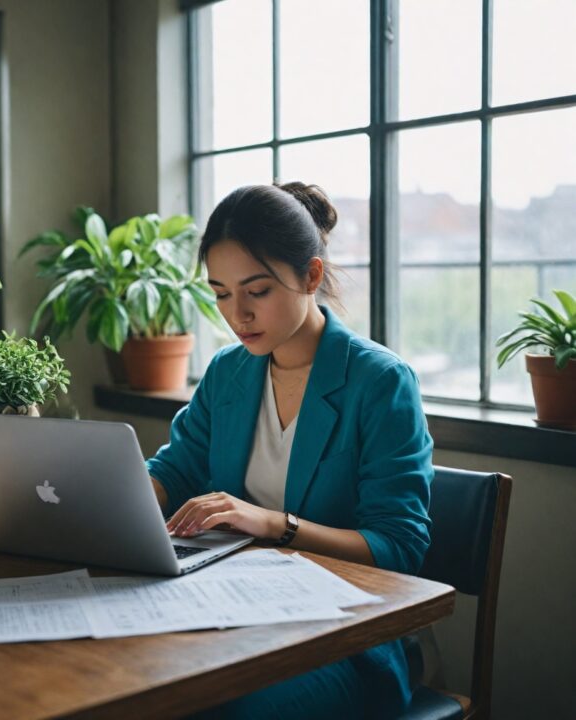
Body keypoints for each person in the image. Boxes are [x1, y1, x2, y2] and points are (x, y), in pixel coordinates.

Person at [146, 182, 433, 720]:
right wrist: (112, 493)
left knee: (210, 710)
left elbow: (397, 548)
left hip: (343, 639)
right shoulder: (228, 372)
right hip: (231, 611)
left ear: (312, 277)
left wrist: (275, 524)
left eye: (257, 291)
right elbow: (176, 469)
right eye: (221, 294)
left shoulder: (379, 382)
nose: (238, 315)